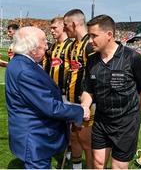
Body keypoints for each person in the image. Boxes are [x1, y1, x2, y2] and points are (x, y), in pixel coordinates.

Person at [5, 26, 90, 169]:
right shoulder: (25, 70)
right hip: (35, 138)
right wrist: (79, 111)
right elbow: (49, 107)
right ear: (32, 48)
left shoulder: (22, 62)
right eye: (43, 41)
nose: (47, 45)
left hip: (32, 135)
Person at [81, 14, 141, 169]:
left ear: (109, 35)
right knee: (98, 163)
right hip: (101, 121)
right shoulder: (92, 60)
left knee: (118, 167)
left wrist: (135, 113)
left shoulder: (132, 57)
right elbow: (88, 90)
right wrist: (85, 105)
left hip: (126, 124)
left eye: (94, 36)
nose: (90, 41)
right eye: (89, 36)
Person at [64, 9, 94, 169]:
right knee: (74, 137)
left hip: (86, 104)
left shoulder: (90, 44)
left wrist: (88, 104)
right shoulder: (73, 45)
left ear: (74, 24)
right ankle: (76, 168)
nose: (64, 28)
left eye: (66, 25)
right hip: (71, 101)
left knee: (87, 144)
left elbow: (95, 76)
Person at [42, 16, 73, 168]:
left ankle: (70, 155)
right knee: (54, 124)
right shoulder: (52, 48)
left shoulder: (72, 46)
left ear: (63, 27)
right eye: (51, 28)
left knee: (69, 125)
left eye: (54, 28)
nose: (52, 31)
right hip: (52, 93)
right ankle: (59, 149)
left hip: (66, 94)